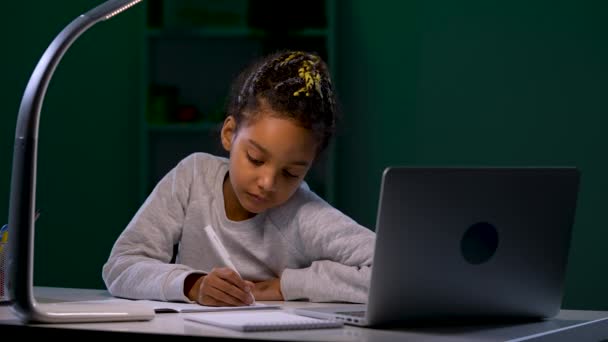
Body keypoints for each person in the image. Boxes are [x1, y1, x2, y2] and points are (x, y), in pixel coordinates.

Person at [102, 50, 375, 306]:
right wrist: (192, 285)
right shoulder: (193, 177)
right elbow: (121, 265)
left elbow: (395, 271)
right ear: (229, 134)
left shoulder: (303, 213)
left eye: (291, 173)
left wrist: (289, 286)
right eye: (255, 159)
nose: (268, 183)